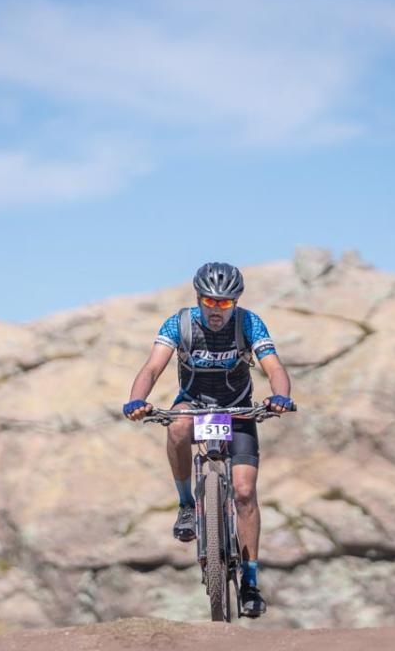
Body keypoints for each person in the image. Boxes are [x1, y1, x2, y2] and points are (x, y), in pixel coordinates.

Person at [123, 261, 294, 618]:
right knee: (177, 427)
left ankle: (250, 583)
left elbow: (274, 367)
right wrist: (137, 400)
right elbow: (152, 367)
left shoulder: (249, 323)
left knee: (245, 493)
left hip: (238, 408)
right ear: (199, 298)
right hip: (194, 404)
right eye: (210, 302)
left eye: (225, 303)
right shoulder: (179, 324)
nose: (217, 310)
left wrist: (280, 396)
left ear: (235, 302)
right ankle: (187, 504)